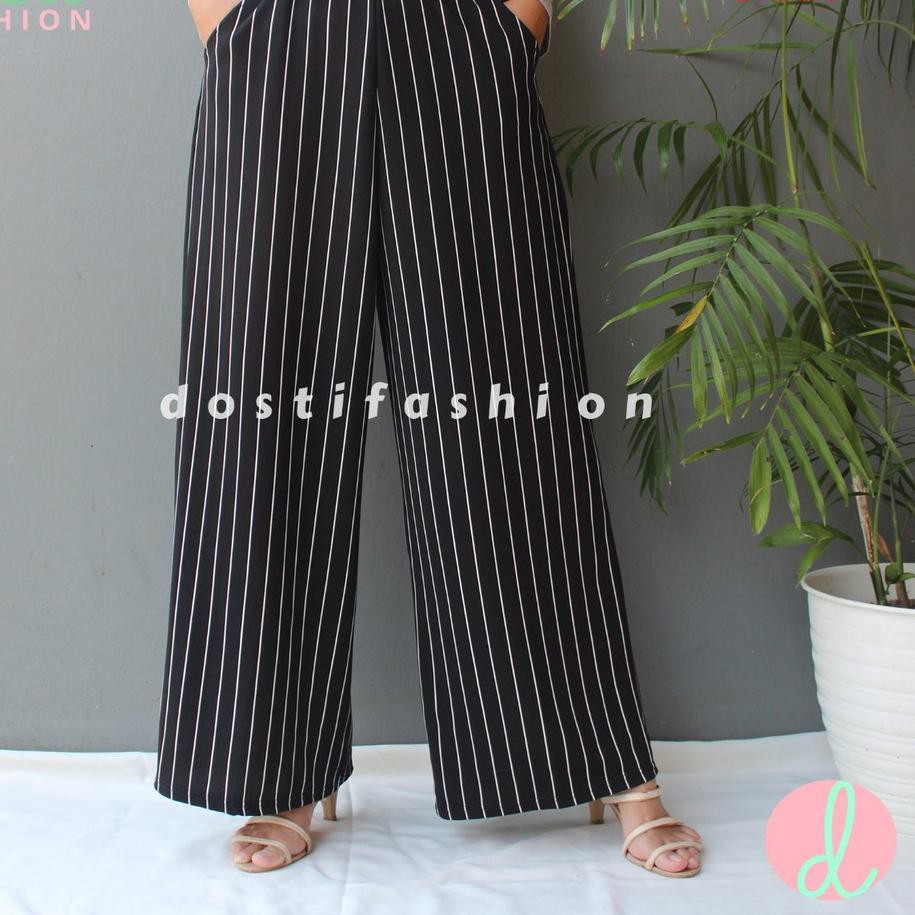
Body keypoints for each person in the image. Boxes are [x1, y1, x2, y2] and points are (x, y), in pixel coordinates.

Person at [156, 0, 704, 878]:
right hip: (278, 38)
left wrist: (515, 16)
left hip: (458, 32)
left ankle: (602, 756)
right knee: (262, 404)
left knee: (504, 408)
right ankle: (275, 768)